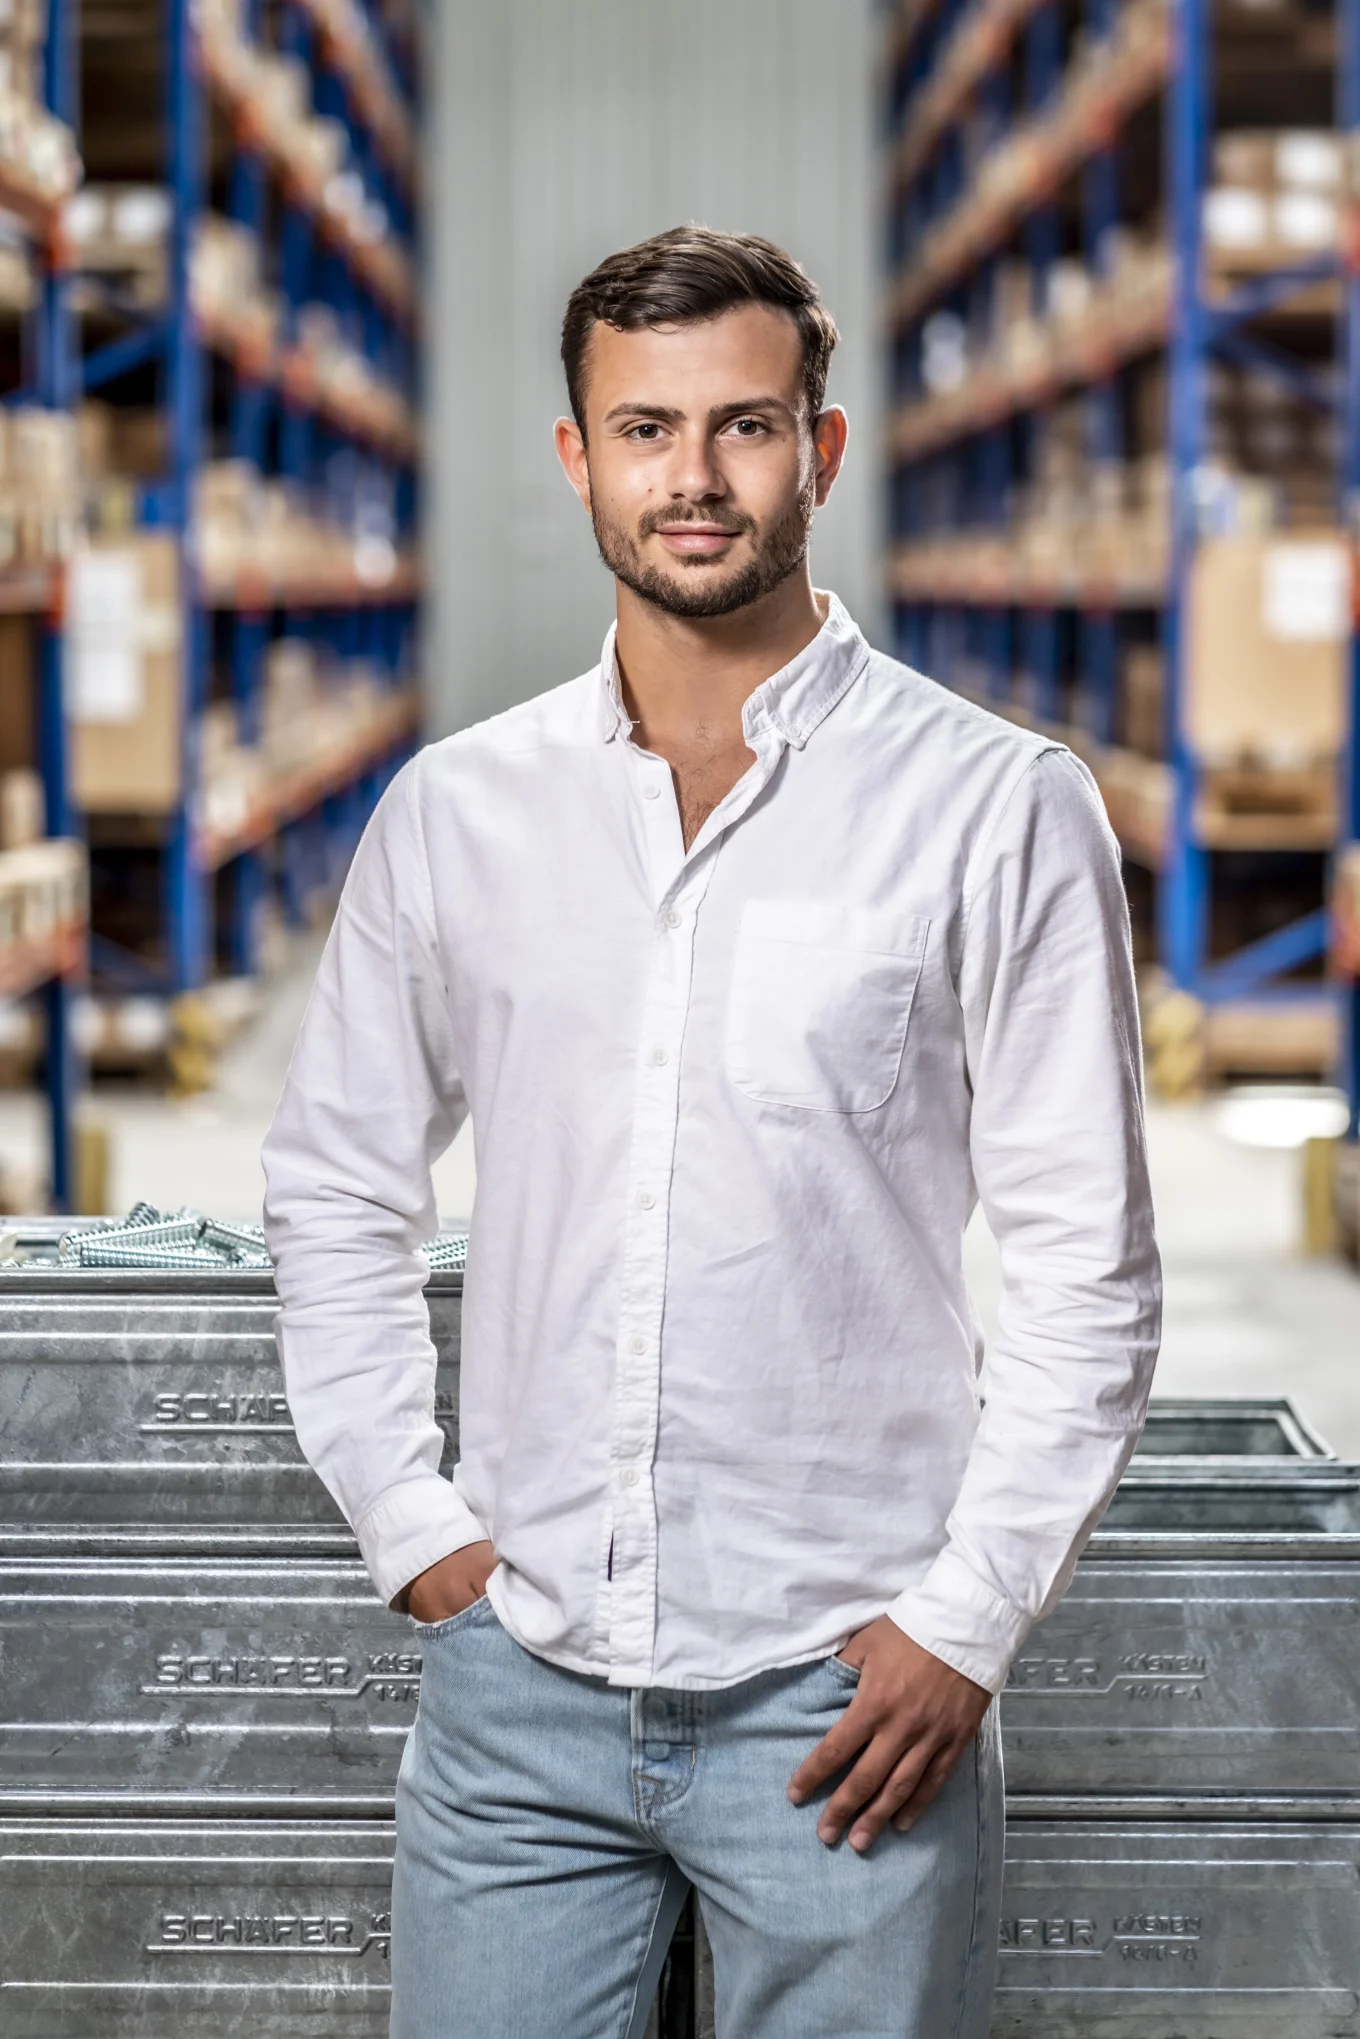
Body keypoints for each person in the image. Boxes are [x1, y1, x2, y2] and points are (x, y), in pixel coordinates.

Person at [262, 226, 1161, 2039]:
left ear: (819, 451)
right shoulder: (458, 813)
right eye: (645, 428)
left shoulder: (996, 808)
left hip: (850, 1695)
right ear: (577, 456)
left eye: (743, 425)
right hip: (520, 1687)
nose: (694, 476)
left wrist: (966, 1619)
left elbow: (1092, 1270)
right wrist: (410, 1518)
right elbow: (338, 1185)